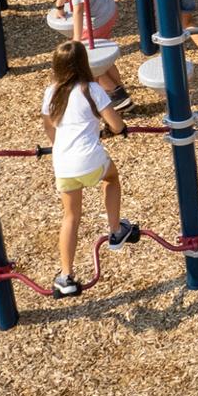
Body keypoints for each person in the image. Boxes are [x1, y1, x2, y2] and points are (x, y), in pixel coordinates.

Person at [41, 40, 139, 298]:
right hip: (89, 159)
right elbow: (116, 125)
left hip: (62, 162)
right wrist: (113, 130)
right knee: (111, 177)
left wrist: (58, 144)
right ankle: (117, 230)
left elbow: (49, 127)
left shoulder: (51, 92)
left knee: (70, 216)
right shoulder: (92, 89)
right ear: (84, 63)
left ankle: (65, 276)